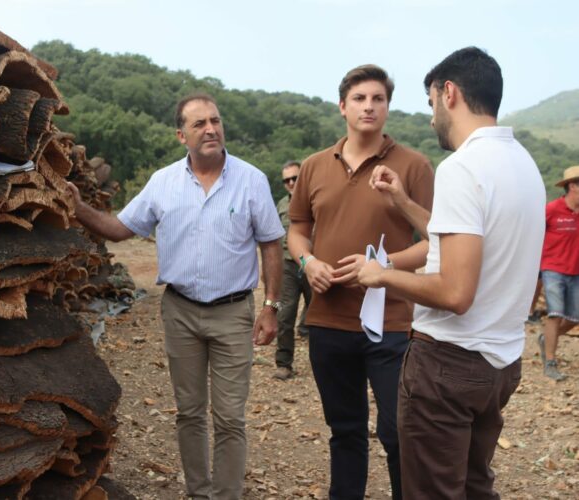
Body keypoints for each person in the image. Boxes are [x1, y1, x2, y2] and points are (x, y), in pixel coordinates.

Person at [66, 93, 285, 499]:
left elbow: (271, 244)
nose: (211, 129)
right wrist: (78, 207)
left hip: (233, 311)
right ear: (180, 134)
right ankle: (199, 493)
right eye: (199, 124)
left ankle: (227, 495)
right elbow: (119, 229)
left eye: (215, 121)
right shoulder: (162, 183)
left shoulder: (251, 180)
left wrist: (271, 307)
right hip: (180, 311)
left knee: (231, 417)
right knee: (189, 413)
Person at [358, 47, 545, 499]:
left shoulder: (463, 167)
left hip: (449, 365)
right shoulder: (523, 165)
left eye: (429, 105)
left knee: (434, 492)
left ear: (449, 93)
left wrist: (380, 274)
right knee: (475, 485)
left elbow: (456, 290)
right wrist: (403, 203)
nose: (430, 119)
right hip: (498, 363)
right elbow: (466, 242)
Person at [287, 64, 434, 500]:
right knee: (345, 431)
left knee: (397, 433)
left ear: (388, 107)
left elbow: (436, 241)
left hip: (389, 323)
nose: (369, 106)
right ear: (342, 106)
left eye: (378, 99)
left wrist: (385, 266)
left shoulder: (415, 165)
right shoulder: (314, 166)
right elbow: (296, 229)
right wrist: (308, 261)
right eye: (359, 99)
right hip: (328, 320)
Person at [538, 165, 579, 380]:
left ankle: (546, 339)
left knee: (574, 317)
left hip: (576, 272)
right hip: (553, 269)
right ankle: (551, 363)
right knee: (555, 314)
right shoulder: (552, 210)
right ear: (573, 186)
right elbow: (534, 233)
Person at [274, 160, 312, 380]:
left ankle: (324, 363)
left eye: (294, 178)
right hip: (287, 264)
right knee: (284, 314)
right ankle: (284, 363)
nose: (290, 183)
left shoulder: (316, 199)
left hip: (312, 263)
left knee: (318, 315)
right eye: (286, 180)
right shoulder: (280, 205)